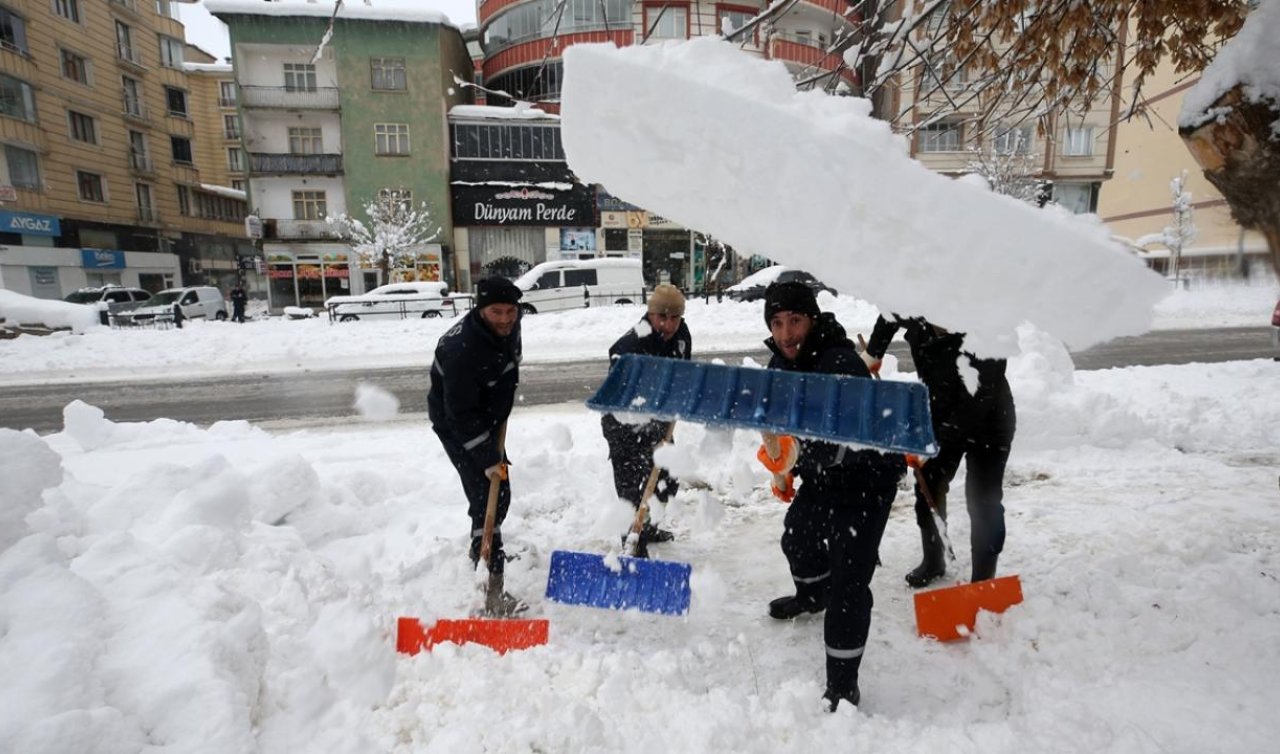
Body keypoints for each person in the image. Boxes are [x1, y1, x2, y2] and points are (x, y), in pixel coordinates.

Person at [755, 281, 905, 712]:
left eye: (795, 321)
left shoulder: (841, 363)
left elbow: (849, 439)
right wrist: (781, 465)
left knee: (850, 583)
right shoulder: (780, 365)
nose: (786, 334)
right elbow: (774, 422)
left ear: (812, 319)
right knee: (796, 538)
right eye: (778, 323)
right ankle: (811, 595)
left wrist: (799, 449)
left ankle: (843, 685)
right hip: (823, 478)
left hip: (867, 482)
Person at [862, 315, 1016, 587]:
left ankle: (982, 579)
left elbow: (975, 403)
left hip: (990, 419)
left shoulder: (986, 327)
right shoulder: (919, 307)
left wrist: (932, 442)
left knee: (983, 498)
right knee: (928, 485)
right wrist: (872, 354)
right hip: (941, 409)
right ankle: (934, 560)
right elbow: (889, 314)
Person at [427, 276, 524, 611]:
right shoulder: (461, 351)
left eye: (511, 310)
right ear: (481, 309)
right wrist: (487, 458)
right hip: (459, 425)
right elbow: (461, 416)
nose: (505, 319)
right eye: (496, 311)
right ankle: (490, 584)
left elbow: (510, 354)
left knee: (500, 495)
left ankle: (484, 542)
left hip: (488, 415)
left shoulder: (510, 325)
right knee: (487, 499)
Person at [600, 283, 692, 557]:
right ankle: (632, 545)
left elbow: (682, 369)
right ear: (650, 315)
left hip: (659, 420)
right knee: (632, 488)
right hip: (624, 423)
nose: (668, 324)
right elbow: (621, 390)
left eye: (674, 317)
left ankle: (647, 527)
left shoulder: (681, 335)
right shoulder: (630, 346)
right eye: (661, 317)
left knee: (666, 479)